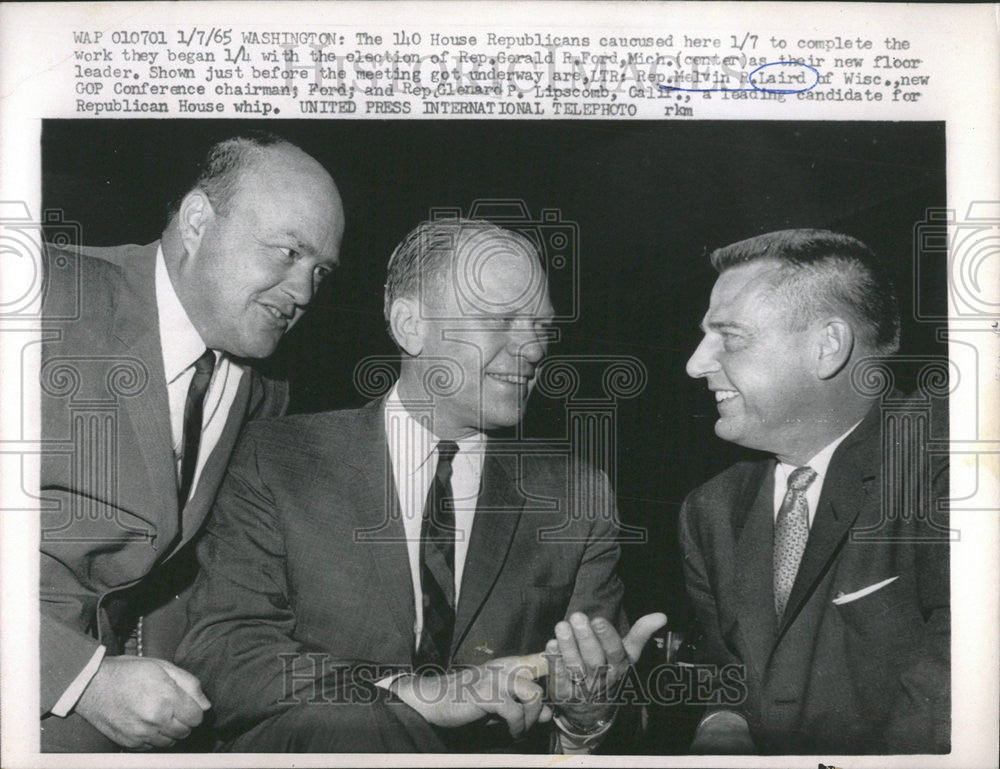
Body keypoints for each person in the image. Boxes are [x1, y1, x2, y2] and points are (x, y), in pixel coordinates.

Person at [176, 218, 665, 753]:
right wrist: (410, 696)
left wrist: (585, 717)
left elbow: (615, 704)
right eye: (501, 319)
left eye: (541, 326)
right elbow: (228, 653)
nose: (531, 349)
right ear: (410, 325)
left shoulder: (577, 496)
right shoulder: (277, 459)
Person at [39, 131, 345, 752]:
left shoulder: (264, 387)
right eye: (287, 253)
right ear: (198, 222)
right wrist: (82, 679)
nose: (305, 293)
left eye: (319, 270)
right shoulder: (40, 293)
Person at [678, 229, 950, 754]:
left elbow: (958, 695)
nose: (695, 364)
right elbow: (722, 664)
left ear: (827, 346)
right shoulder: (710, 510)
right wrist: (720, 723)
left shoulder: (953, 464)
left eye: (729, 337)